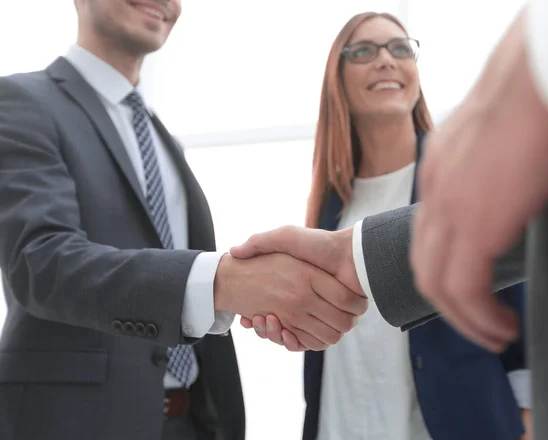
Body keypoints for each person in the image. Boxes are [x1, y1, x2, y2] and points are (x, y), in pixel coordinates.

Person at [232, 0, 548, 438]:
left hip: (453, 422)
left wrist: (527, 414)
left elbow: (522, 299)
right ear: (338, 81)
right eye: (364, 51)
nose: (385, 59)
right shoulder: (329, 204)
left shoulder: (460, 180)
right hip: (344, 421)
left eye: (399, 48)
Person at [0, 1, 367, 439]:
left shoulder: (163, 140)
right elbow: (40, 263)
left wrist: (262, 290)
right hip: (75, 421)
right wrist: (225, 282)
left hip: (189, 420)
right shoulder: (20, 101)